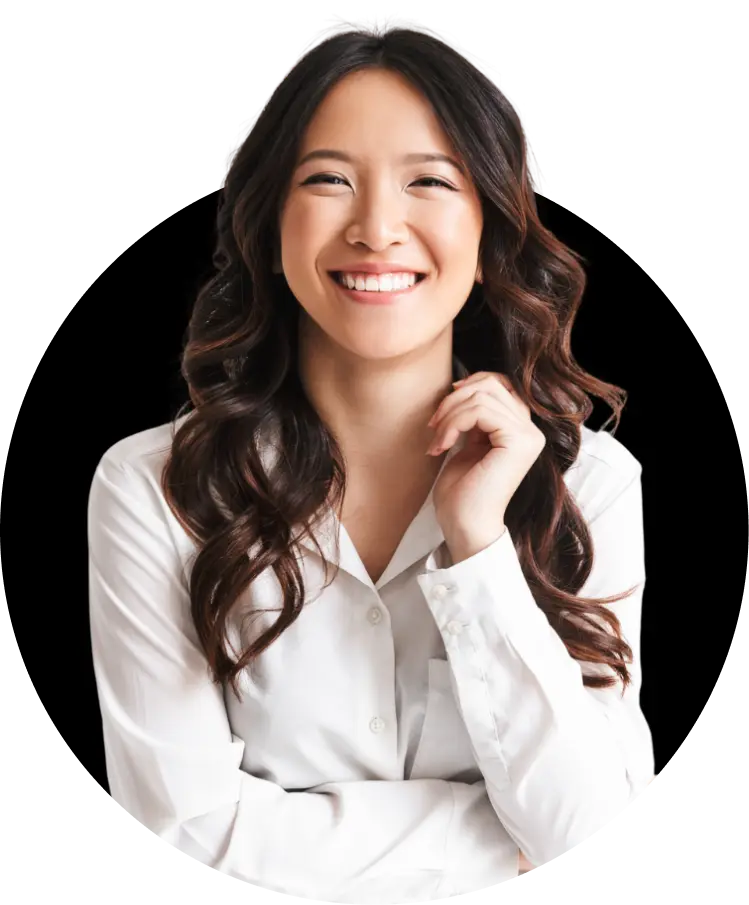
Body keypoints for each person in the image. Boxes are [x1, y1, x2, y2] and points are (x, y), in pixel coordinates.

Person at [88, 14, 656, 902]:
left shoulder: (590, 485)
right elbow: (180, 830)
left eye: (428, 181)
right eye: (328, 179)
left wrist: (479, 546)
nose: (376, 228)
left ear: (489, 232)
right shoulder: (153, 487)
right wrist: (498, 844)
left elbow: (587, 825)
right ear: (270, 225)